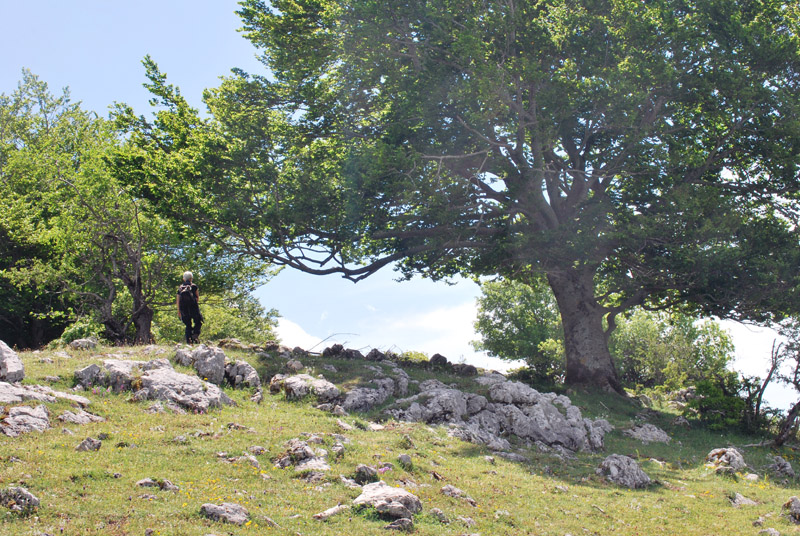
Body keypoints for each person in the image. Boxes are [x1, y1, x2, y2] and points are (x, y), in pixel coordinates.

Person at [177, 271, 202, 344]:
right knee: (198, 322)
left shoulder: (180, 288)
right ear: (191, 279)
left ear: (184, 279)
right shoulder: (194, 286)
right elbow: (197, 298)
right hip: (194, 308)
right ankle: (195, 335)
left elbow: (178, 301)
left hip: (184, 310)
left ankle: (189, 341)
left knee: (188, 325)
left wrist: (179, 311)